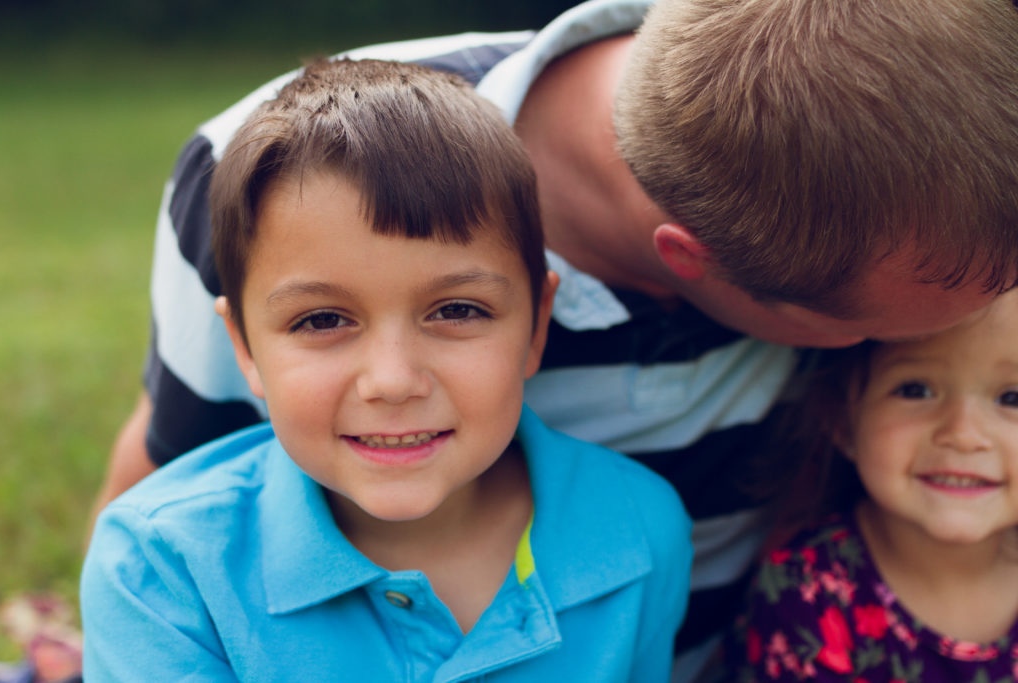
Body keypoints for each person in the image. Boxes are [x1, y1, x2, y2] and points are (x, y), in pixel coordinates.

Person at [93, 0, 1018, 678]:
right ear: (691, 266)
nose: (392, 377)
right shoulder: (276, 175)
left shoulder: (922, 161)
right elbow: (180, 487)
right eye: (868, 339)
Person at [81, 58, 692, 681]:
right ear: (244, 347)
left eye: (457, 310)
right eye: (321, 321)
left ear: (536, 325)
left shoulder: (639, 531)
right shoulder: (158, 571)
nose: (394, 381)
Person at [724, 289, 1018, 681]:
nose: (963, 435)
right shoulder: (805, 593)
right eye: (915, 390)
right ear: (844, 422)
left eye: (1012, 397)